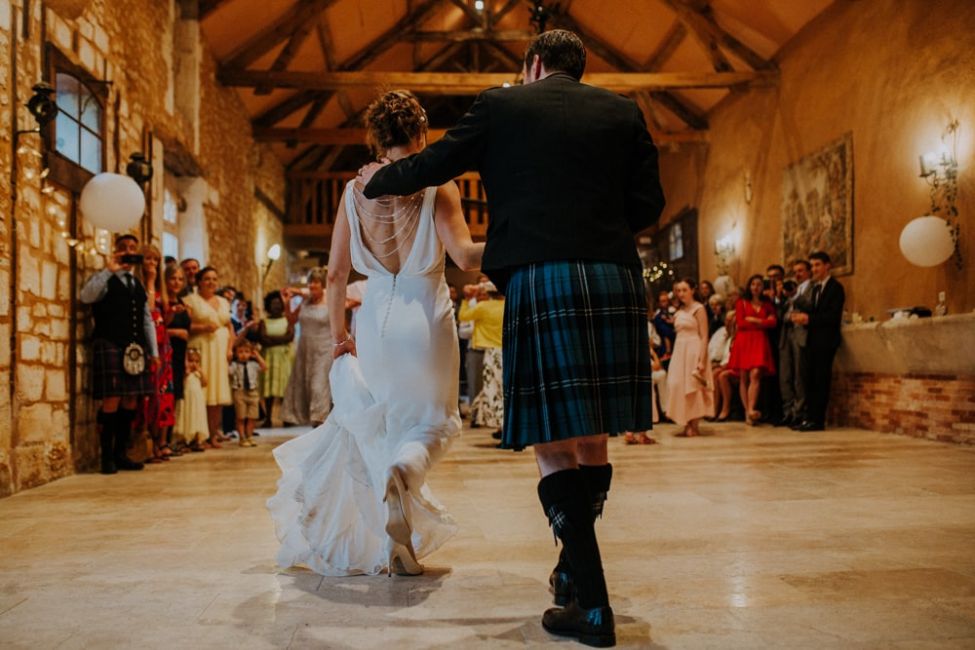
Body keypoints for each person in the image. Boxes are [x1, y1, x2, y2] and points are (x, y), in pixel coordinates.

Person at [360, 30, 663, 646]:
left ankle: (594, 606)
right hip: (612, 276)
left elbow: (435, 162)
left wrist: (374, 185)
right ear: (580, 69)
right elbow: (649, 203)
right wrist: (596, 230)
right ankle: (571, 570)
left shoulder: (503, 104)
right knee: (594, 433)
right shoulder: (624, 111)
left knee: (551, 442)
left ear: (532, 65)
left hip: (543, 279)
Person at [268, 89, 484, 578]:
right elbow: (467, 258)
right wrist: (524, 237)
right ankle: (402, 474)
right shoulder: (437, 187)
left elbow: (336, 277)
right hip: (425, 314)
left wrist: (342, 337)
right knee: (434, 423)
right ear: (422, 133)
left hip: (375, 322)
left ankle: (397, 547)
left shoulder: (352, 192)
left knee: (386, 425)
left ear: (376, 139)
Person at [80, 234, 159, 474]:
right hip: (110, 343)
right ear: (116, 251)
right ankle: (106, 457)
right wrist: (108, 270)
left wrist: (153, 350)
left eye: (133, 248)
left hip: (135, 348)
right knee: (112, 399)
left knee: (131, 399)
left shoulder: (137, 284)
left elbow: (146, 319)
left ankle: (120, 453)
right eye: (123, 248)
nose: (128, 251)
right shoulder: (104, 279)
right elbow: (85, 297)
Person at [791, 251, 845, 431]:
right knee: (810, 380)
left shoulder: (835, 288)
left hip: (826, 341)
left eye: (817, 265)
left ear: (827, 265)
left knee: (821, 380)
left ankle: (818, 420)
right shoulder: (815, 288)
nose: (814, 269)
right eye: (812, 265)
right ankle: (809, 418)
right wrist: (802, 317)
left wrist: (809, 319)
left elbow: (832, 316)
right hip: (812, 340)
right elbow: (814, 312)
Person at [182, 267, 234, 446]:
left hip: (219, 351)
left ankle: (214, 433)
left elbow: (229, 327)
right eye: (207, 279)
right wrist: (203, 328)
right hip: (200, 349)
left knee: (217, 394)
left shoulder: (222, 301)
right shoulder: (190, 301)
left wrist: (230, 348)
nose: (211, 282)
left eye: (214, 279)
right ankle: (199, 435)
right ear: (199, 281)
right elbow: (185, 325)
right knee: (201, 392)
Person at [282, 269, 334, 426]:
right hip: (305, 348)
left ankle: (319, 419)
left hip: (324, 348)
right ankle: (313, 419)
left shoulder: (330, 300)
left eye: (316, 282)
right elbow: (291, 321)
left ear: (322, 284)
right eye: (310, 282)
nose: (312, 285)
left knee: (319, 384)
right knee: (305, 383)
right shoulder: (304, 302)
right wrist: (286, 304)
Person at [139, 245, 175, 463]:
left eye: (156, 260)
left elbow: (163, 316)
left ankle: (161, 441)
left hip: (164, 344)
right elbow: (149, 311)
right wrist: (151, 281)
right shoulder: (142, 286)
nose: (152, 263)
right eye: (148, 259)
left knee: (165, 393)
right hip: (148, 343)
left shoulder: (161, 287)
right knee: (150, 392)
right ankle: (147, 442)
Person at [665, 278, 713, 437]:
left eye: (684, 290)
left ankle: (694, 424)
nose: (681, 294)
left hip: (694, 348)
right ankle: (684, 420)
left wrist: (701, 360)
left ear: (693, 290)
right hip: (680, 350)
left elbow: (704, 336)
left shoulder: (699, 309)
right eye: (678, 290)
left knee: (693, 387)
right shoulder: (678, 311)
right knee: (676, 384)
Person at [728, 274, 777, 425]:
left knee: (755, 374)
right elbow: (741, 323)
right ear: (749, 286)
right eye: (753, 284)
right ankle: (748, 412)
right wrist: (764, 322)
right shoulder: (741, 302)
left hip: (759, 340)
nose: (756, 287)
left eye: (759, 284)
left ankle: (750, 409)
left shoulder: (767, 303)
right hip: (744, 340)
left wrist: (755, 320)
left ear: (763, 287)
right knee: (743, 377)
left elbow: (773, 322)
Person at [459, 280, 505, 434]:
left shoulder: (483, 307)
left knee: (493, 389)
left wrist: (466, 299)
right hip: (507, 351)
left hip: (491, 353)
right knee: (504, 389)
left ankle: (500, 425)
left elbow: (463, 316)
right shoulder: (508, 305)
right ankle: (503, 426)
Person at [778, 260, 813, 427]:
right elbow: (784, 313)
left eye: (801, 271)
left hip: (801, 333)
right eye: (795, 271)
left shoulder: (812, 288)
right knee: (786, 375)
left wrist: (795, 296)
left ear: (808, 272)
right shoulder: (792, 290)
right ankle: (788, 411)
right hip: (787, 333)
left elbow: (810, 307)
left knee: (799, 375)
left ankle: (800, 412)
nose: (797, 274)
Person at [258, 290, 295, 428]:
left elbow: (289, 337)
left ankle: (286, 417)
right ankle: (268, 418)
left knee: (284, 387)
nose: (276, 306)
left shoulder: (287, 320)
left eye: (278, 303)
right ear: (268, 305)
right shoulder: (264, 321)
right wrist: (281, 339)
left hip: (284, 358)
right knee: (269, 389)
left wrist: (272, 339)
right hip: (268, 357)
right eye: (273, 303)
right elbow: (263, 339)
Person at [164, 265, 190, 454]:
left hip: (180, 354)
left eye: (180, 279)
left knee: (175, 396)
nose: (177, 282)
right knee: (165, 395)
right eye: (173, 278)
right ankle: (161, 443)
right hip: (165, 353)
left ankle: (168, 440)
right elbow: (156, 326)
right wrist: (175, 332)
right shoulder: (162, 302)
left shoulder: (182, 303)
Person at [229, 339, 266, 447]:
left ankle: (249, 436)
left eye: (246, 351)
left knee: (252, 417)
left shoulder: (253, 364)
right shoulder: (235, 365)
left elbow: (264, 367)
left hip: (253, 392)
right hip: (240, 392)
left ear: (251, 353)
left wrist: (257, 356)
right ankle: (242, 437)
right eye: (240, 352)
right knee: (241, 416)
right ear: (236, 353)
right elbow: (229, 371)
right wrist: (229, 360)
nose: (244, 355)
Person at [174, 348, 209, 452]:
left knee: (197, 418)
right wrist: (186, 372)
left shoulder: (198, 373)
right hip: (187, 399)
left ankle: (197, 440)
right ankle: (184, 441)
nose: (194, 364)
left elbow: (205, 383)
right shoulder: (186, 373)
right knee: (187, 417)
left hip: (197, 401)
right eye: (191, 361)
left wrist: (201, 372)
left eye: (196, 361)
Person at [710, 310, 738, 421]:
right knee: (714, 373)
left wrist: (724, 366)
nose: (728, 323)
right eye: (727, 320)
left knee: (721, 375)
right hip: (725, 365)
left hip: (736, 367)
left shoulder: (739, 336)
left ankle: (725, 408)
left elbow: (736, 357)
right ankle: (715, 408)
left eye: (731, 321)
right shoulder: (728, 337)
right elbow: (723, 355)